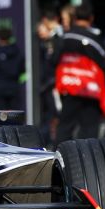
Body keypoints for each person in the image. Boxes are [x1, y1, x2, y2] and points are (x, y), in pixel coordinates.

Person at [54, 4, 105, 143]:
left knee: (65, 125)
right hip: (89, 90)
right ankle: (87, 159)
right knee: (89, 127)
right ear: (91, 18)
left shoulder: (64, 38)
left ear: (74, 18)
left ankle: (59, 157)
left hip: (68, 86)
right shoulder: (94, 39)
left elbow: (53, 60)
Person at [37, 11, 63, 145]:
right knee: (49, 116)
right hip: (47, 85)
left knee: (56, 114)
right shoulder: (42, 45)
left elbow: (54, 61)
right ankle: (47, 142)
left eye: (42, 29)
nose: (40, 33)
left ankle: (53, 141)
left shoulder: (56, 40)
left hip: (54, 84)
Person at [0, 27, 25, 110]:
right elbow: (22, 69)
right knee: (14, 116)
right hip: (14, 88)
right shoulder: (17, 51)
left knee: (1, 117)